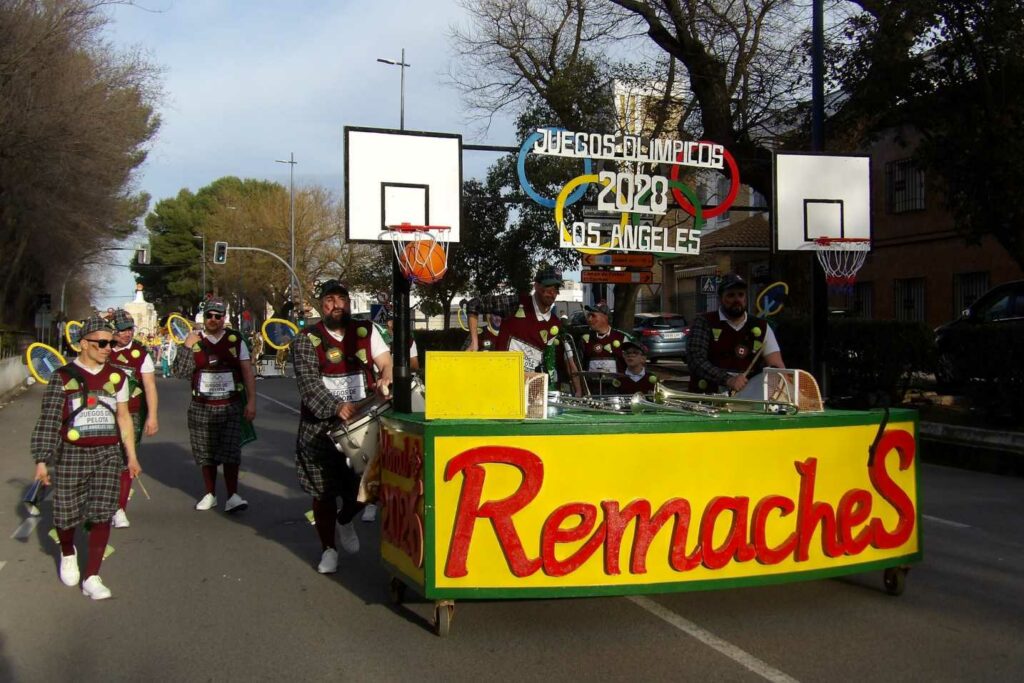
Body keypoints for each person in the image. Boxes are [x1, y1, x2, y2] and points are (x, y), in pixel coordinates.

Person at [30, 316, 142, 600]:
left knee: (103, 511)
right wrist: (42, 460)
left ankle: (92, 575)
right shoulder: (62, 377)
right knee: (65, 513)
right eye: (102, 343)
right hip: (72, 453)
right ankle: (68, 551)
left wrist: (131, 456)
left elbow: (124, 417)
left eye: (111, 343)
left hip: (108, 453)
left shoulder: (118, 377)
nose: (108, 348)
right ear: (83, 344)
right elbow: (49, 420)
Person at [291, 279, 393, 573]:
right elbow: (309, 385)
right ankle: (328, 549)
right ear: (321, 305)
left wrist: (385, 376)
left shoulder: (367, 330)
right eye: (329, 300)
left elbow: (385, 361)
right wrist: (336, 406)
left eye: (341, 299)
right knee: (322, 493)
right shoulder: (306, 339)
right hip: (320, 428)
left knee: (369, 486)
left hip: (363, 424)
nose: (336, 305)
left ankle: (345, 519)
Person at [172, 297, 257, 512]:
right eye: (209, 315)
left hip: (230, 405)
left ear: (224, 318)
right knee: (205, 452)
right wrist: (187, 346)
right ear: (204, 317)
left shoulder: (235, 340)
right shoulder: (194, 340)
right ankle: (210, 494)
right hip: (201, 406)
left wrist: (251, 401)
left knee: (231, 452)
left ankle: (233, 495)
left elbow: (247, 371)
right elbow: (181, 372)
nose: (213, 319)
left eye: (218, 316)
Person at [466, 266, 579, 393]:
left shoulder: (555, 323)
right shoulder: (516, 303)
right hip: (501, 383)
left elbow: (548, 360)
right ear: (536, 286)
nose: (552, 293)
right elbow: (474, 304)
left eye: (556, 288)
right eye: (548, 287)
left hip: (529, 389)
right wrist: (474, 342)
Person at [687, 273, 784, 394]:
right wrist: (728, 379)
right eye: (731, 295)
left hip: (747, 398)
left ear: (745, 298)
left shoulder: (762, 326)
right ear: (720, 299)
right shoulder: (704, 322)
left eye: (740, 295)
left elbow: (777, 366)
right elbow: (696, 360)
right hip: (706, 398)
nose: (737, 300)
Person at [107, 310, 159, 528]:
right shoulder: (103, 349)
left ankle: (119, 509)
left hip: (131, 413)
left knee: (127, 458)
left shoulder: (140, 354)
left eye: (129, 329)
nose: (127, 334)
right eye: (122, 330)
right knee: (104, 458)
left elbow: (149, 386)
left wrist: (152, 416)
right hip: (104, 413)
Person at [576, 300, 632, 394]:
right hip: (591, 393)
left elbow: (631, 366)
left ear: (605, 317)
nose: (589, 319)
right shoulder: (585, 339)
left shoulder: (622, 338)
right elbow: (578, 367)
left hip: (616, 393)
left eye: (593, 315)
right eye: (589, 315)